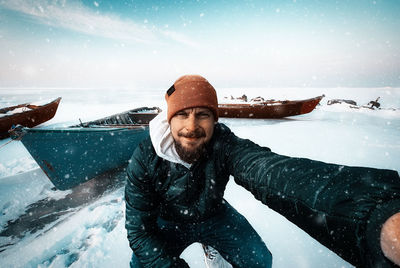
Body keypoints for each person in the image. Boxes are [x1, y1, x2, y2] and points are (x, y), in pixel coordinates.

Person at [125, 75, 400, 267]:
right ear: (169, 118)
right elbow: (138, 230)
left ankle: (212, 246)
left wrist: (374, 212)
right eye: (183, 114)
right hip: (166, 223)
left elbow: (266, 169)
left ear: (215, 119)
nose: (192, 125)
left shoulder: (223, 143)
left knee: (259, 260)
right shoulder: (146, 156)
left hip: (213, 214)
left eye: (203, 114)